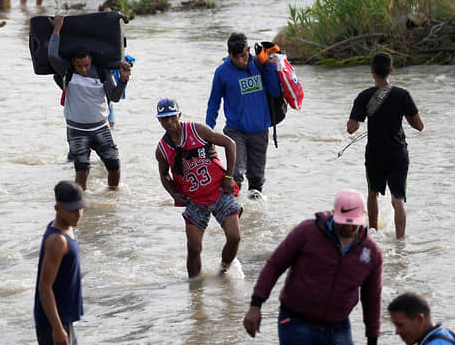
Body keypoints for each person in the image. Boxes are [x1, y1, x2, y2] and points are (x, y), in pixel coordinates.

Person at [243, 189, 383, 345]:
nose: (348, 229)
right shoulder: (307, 232)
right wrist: (256, 305)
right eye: (343, 224)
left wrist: (373, 338)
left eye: (353, 225)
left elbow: (372, 298)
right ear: (334, 214)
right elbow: (275, 266)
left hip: (338, 326)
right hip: (296, 321)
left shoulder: (371, 252)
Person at [155, 98, 241, 278]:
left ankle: (223, 270)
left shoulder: (197, 130)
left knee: (234, 237)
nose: (169, 122)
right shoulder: (162, 149)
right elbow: (164, 175)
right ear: (159, 120)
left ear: (179, 115)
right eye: (164, 118)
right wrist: (174, 194)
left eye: (172, 116)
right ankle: (195, 292)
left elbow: (229, 144)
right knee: (194, 248)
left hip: (219, 192)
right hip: (194, 200)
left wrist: (229, 176)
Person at [47, 14, 132, 190]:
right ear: (73, 63)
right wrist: (57, 28)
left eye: (86, 65)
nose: (84, 69)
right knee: (81, 170)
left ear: (91, 60)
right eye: (80, 66)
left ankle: (112, 196)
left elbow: (114, 97)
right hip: (76, 130)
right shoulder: (67, 72)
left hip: (101, 128)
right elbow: (52, 55)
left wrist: (123, 80)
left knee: (114, 165)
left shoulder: (103, 73)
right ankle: (81, 204)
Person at [347, 51, 424, 239]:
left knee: (373, 193)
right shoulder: (403, 95)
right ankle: (400, 242)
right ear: (391, 70)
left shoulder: (364, 96)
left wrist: (359, 121)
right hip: (398, 153)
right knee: (398, 200)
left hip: (375, 153)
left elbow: (351, 128)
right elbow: (419, 126)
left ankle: (372, 235)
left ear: (371, 71)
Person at [205, 32, 281, 197]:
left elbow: (275, 91)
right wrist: (208, 133)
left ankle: (255, 217)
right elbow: (213, 103)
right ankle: (233, 214)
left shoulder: (260, 65)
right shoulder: (222, 72)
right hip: (235, 131)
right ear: (228, 54)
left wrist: (270, 67)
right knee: (235, 174)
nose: (240, 61)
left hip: (260, 130)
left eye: (243, 56)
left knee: (257, 179)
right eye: (236, 57)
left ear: (248, 50)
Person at [34, 180, 88, 345]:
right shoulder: (57, 240)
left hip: (64, 317)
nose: (78, 214)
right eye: (72, 210)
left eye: (80, 208)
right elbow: (45, 287)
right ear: (58, 209)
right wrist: (57, 329)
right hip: (53, 321)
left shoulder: (68, 227)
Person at [388, 292, 455, 345]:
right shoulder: (444, 333)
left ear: (420, 319)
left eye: (400, 325)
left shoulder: (437, 343)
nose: (397, 332)